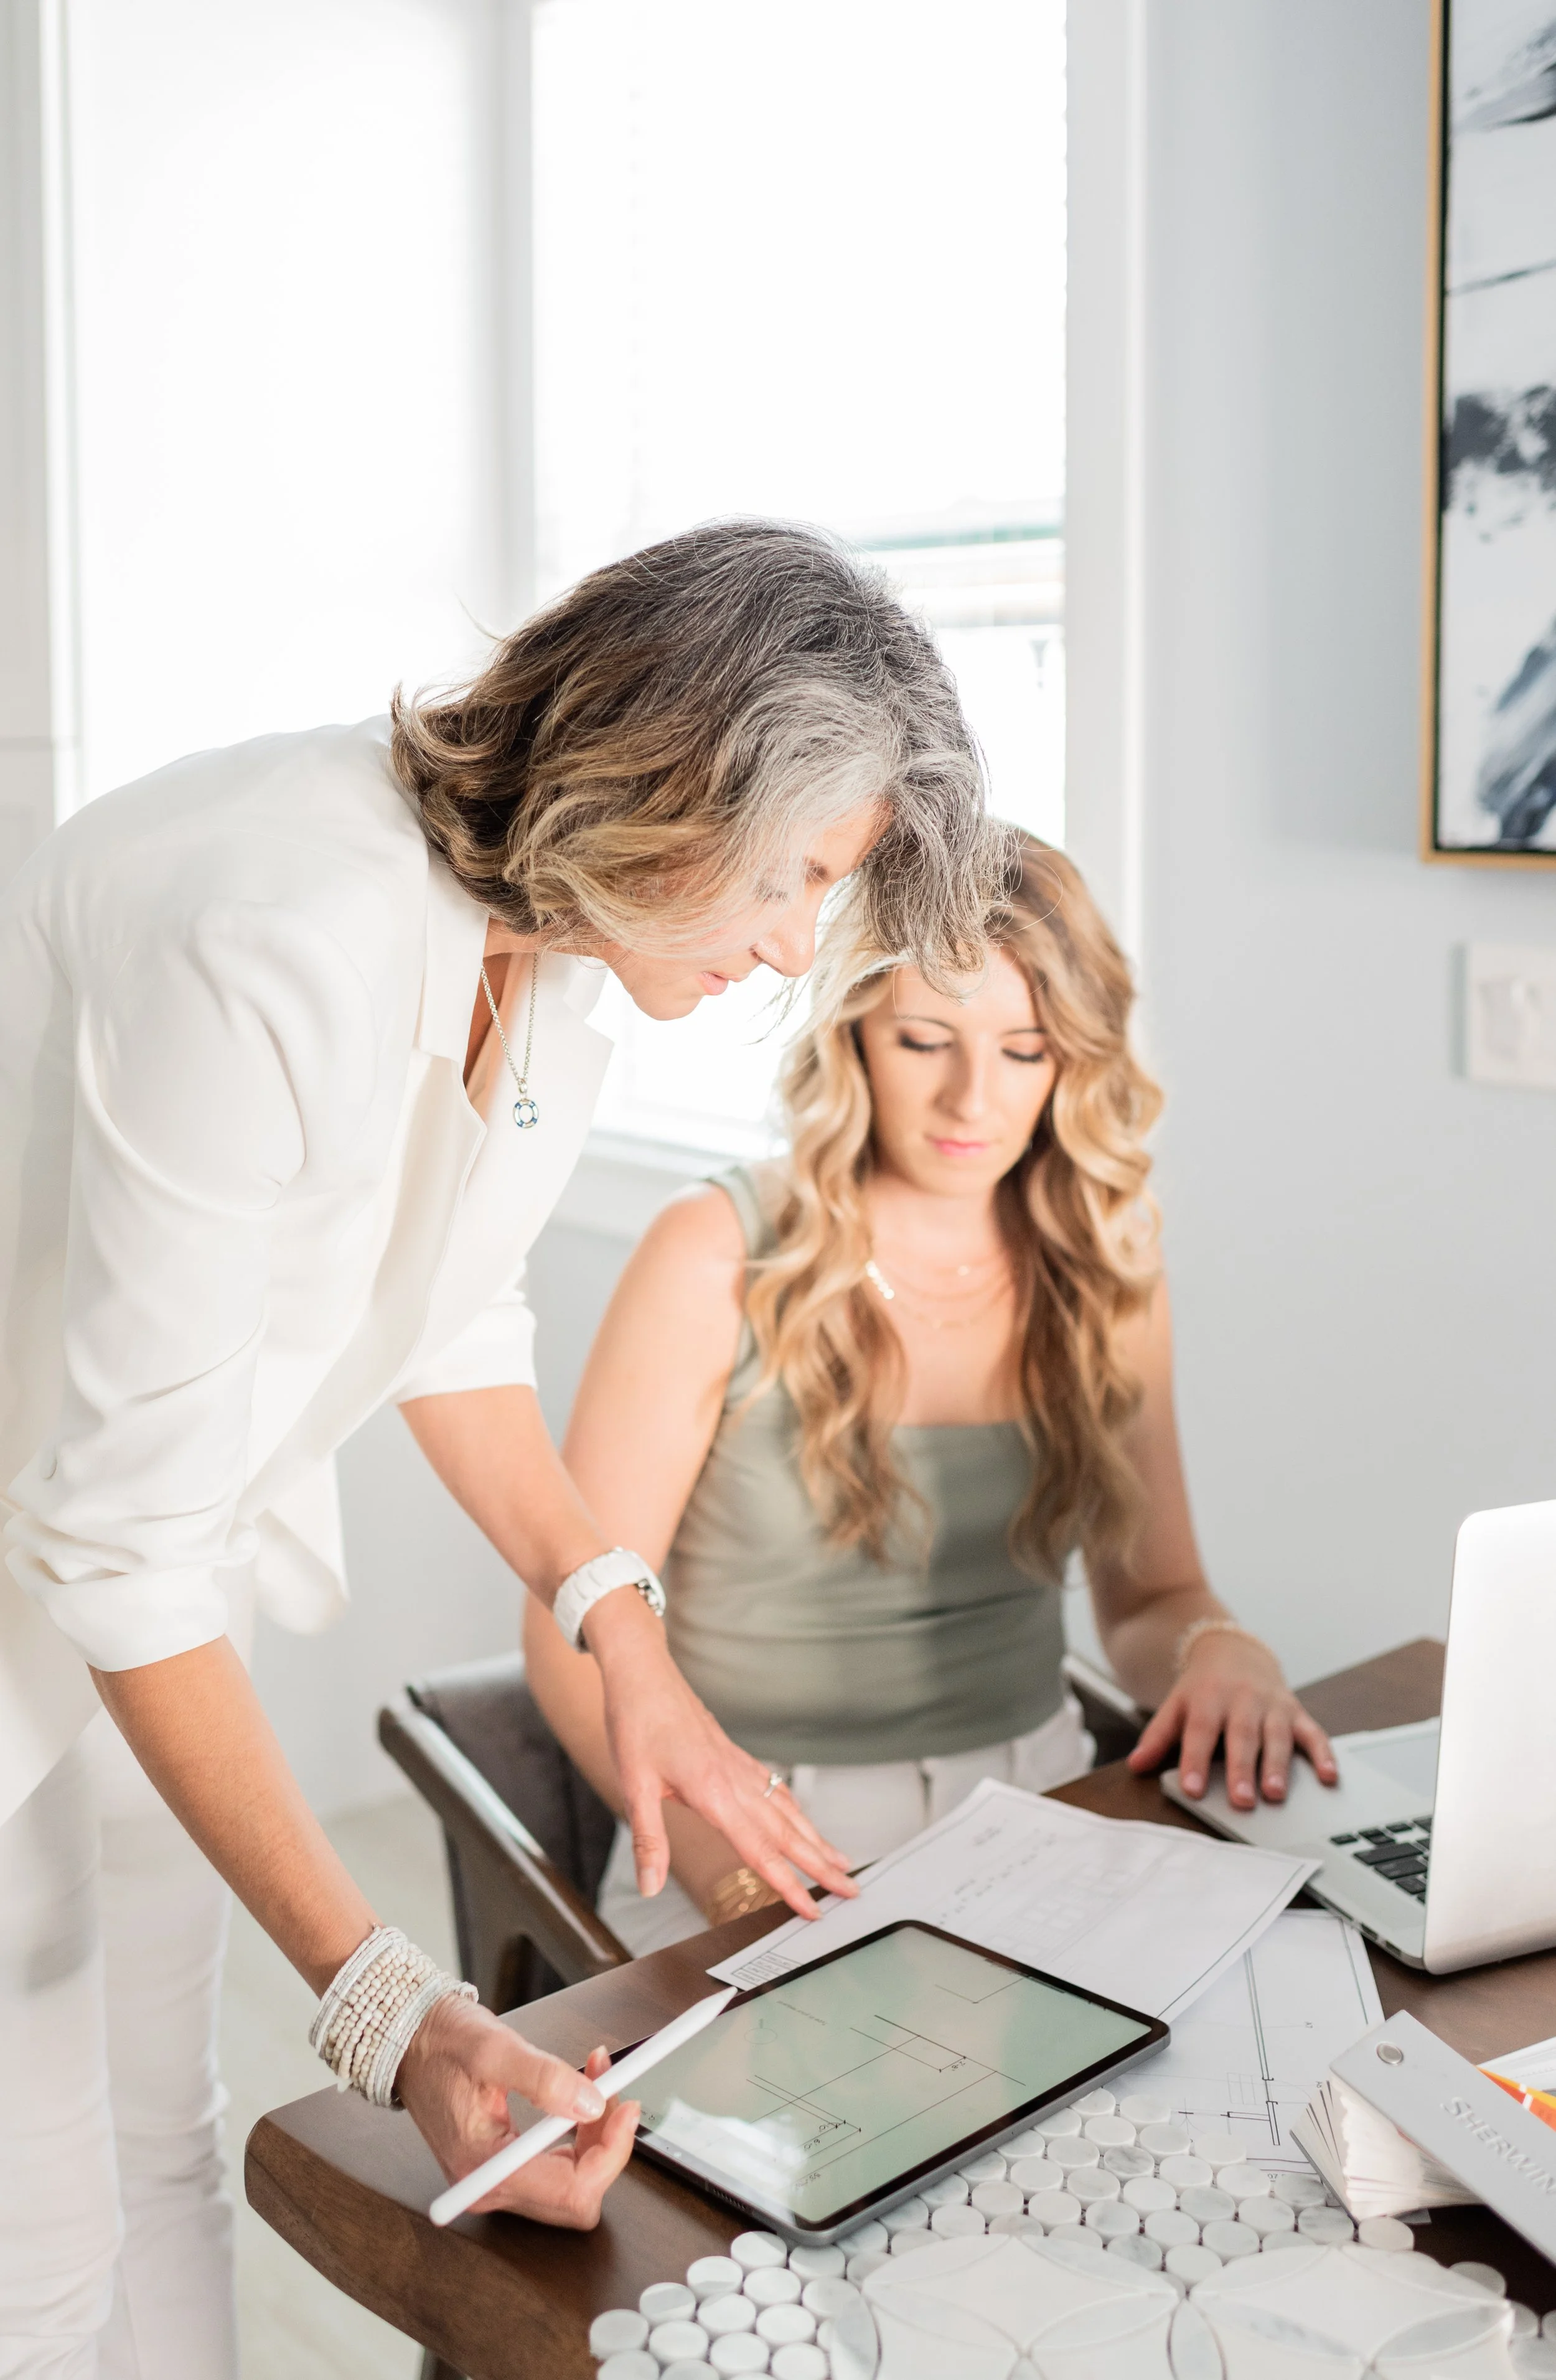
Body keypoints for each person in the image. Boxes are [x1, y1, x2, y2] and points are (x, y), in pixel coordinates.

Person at [0, 520, 1002, 2378]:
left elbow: (444, 1318)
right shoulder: (272, 930)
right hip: (59, 1570)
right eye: (792, 878)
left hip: (145, 1572)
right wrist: (398, 2013)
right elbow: (110, 1549)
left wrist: (627, 1637)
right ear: (675, 773)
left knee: (163, 2140)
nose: (793, 948)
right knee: (35, 2242)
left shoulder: (555, 943)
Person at [526, 833, 1339, 1954]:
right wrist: (738, 1883)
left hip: (1042, 1810)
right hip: (747, 1822)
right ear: (852, 1030)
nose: (973, 1098)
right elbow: (569, 1638)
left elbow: (1151, 1600)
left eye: (1025, 1050)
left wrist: (1214, 1645)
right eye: (925, 1040)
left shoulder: (1108, 1262)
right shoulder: (712, 1252)